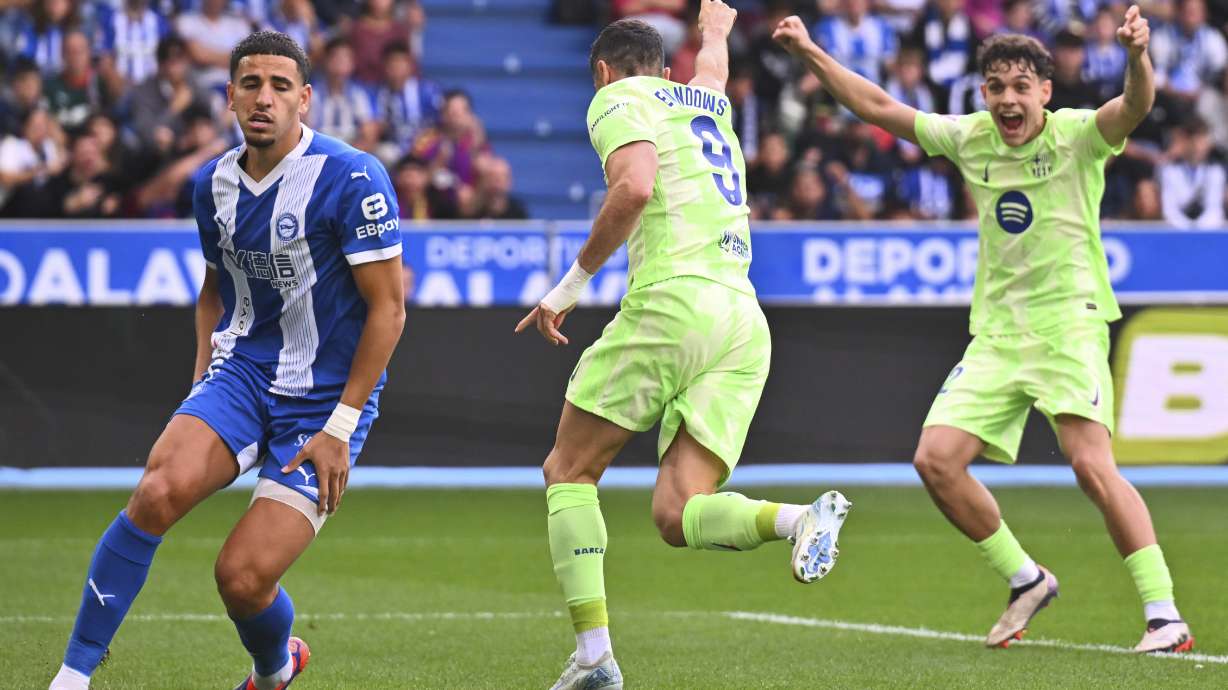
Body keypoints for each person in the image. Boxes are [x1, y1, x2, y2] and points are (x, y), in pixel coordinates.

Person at [772, 5, 1195, 653]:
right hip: (997, 334)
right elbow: (880, 106)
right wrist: (809, 52)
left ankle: (1164, 614)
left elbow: (1133, 108)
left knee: (1091, 466)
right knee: (935, 461)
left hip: (1068, 324)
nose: (1007, 98)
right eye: (995, 86)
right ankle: (1026, 579)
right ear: (983, 94)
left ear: (1045, 93)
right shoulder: (970, 137)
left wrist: (1138, 55)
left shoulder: (1078, 135)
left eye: (1021, 86)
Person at [48, 30, 406, 690]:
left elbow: (389, 310)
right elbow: (217, 287)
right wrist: (201, 380)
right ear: (229, 98)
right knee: (155, 491)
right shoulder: (209, 185)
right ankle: (72, 677)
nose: (263, 98)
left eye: (278, 86)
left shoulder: (353, 178)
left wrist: (341, 426)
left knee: (241, 579)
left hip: (323, 401)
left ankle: (275, 667)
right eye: (249, 84)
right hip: (242, 375)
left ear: (305, 100)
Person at [515, 7, 852, 688]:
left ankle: (593, 660)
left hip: (674, 301)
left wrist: (570, 284)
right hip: (741, 318)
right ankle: (798, 520)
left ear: (604, 72)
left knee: (569, 471)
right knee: (676, 512)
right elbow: (712, 71)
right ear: (667, 71)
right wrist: (718, 30)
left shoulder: (617, 96)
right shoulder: (706, 103)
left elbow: (635, 186)